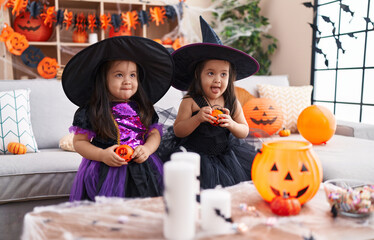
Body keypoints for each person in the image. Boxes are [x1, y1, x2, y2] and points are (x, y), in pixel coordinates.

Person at [62, 36, 174, 201]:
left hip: (143, 167)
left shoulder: (144, 108)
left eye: (133, 75)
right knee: (110, 211)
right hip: (106, 169)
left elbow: (154, 134)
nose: (128, 81)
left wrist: (148, 149)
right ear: (104, 79)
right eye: (119, 75)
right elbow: (79, 142)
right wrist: (101, 154)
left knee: (144, 206)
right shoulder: (93, 110)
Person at [162, 16, 260, 189]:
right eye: (210, 73)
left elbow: (244, 131)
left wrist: (231, 124)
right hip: (196, 156)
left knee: (233, 190)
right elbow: (178, 130)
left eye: (223, 74)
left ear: (230, 78)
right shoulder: (191, 101)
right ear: (198, 75)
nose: (217, 80)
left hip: (227, 157)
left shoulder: (231, 101)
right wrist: (197, 118)